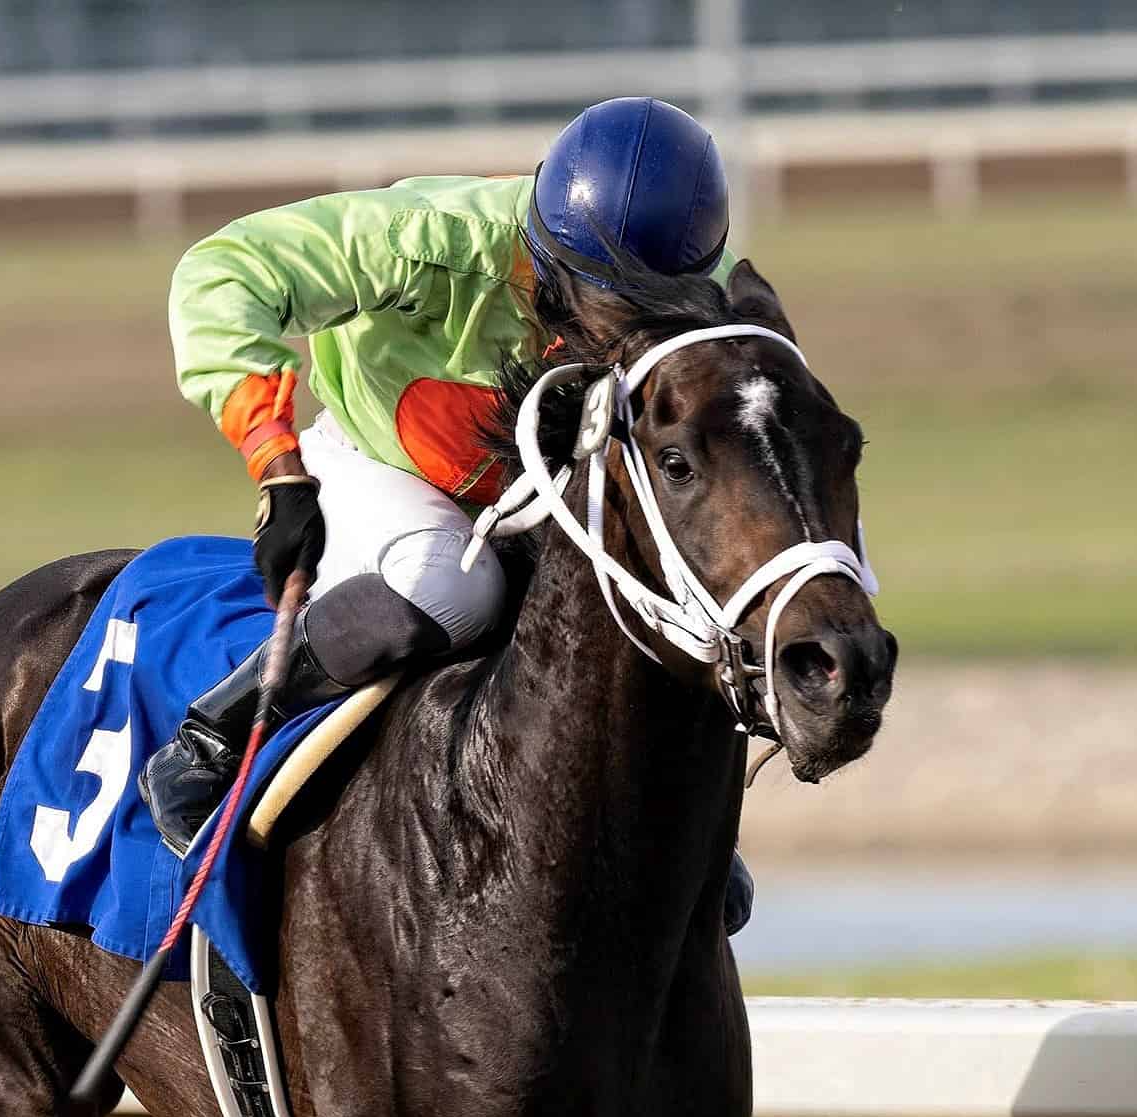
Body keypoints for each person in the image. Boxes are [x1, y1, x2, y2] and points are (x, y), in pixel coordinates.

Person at [141, 95, 734, 859]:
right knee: (451, 584)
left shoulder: (676, 270)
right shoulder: (429, 238)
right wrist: (275, 463)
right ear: (549, 256)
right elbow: (223, 272)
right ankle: (210, 738)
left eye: (647, 312)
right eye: (602, 304)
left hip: (532, 495)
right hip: (380, 462)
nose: (617, 336)